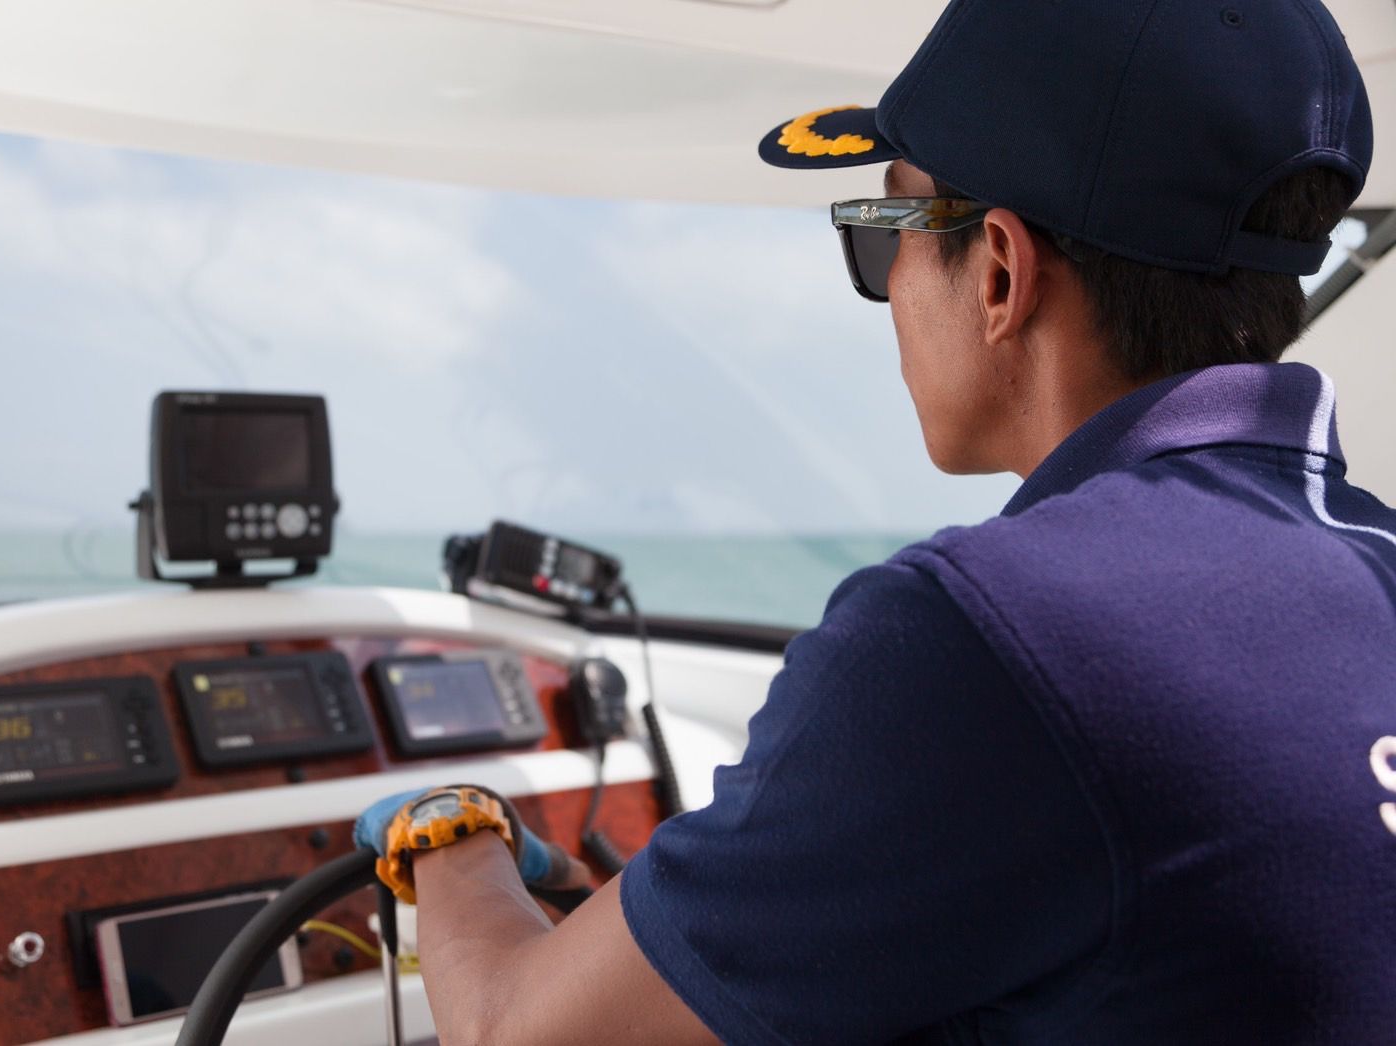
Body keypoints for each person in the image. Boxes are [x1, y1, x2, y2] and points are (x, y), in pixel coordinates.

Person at [353, 1, 1396, 1041]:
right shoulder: (1374, 564)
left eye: (881, 234)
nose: (888, 286)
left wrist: (454, 837)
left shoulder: (983, 637)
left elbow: (512, 1029)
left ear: (999, 272)